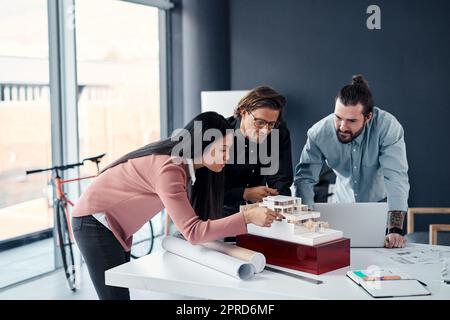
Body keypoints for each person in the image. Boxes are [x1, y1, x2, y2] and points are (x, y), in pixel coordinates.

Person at [72, 111, 281, 300]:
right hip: (94, 222)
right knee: (114, 297)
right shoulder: (170, 168)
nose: (227, 157)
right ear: (203, 144)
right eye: (223, 150)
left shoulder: (189, 168)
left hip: (110, 225)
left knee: (119, 293)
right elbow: (193, 231)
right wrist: (248, 217)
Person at [294, 75, 410, 248]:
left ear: (368, 117)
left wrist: (395, 228)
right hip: (342, 206)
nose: (342, 127)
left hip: (380, 206)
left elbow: (396, 177)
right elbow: (304, 178)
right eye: (338, 117)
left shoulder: (387, 127)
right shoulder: (319, 133)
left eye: (351, 121)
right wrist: (305, 220)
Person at [223, 86, 293, 216]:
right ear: (243, 111)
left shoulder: (279, 132)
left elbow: (280, 179)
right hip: (221, 213)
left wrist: (282, 208)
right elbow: (209, 190)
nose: (265, 131)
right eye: (260, 122)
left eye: (271, 124)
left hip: (259, 212)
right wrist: (244, 193)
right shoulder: (221, 134)